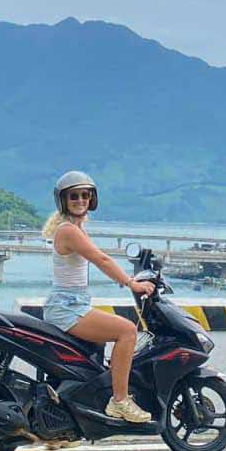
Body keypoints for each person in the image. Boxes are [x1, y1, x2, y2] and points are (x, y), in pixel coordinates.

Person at [42, 170, 155, 424]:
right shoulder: (68, 231)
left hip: (73, 304)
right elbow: (101, 259)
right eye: (74, 196)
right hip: (67, 308)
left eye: (85, 195)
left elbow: (97, 260)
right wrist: (131, 283)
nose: (80, 200)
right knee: (127, 331)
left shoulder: (75, 229)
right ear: (64, 200)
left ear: (92, 199)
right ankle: (120, 401)